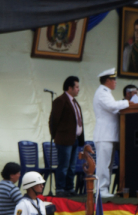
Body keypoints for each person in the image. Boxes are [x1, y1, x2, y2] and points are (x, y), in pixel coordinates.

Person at [93, 68, 132, 198]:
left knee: (108, 164)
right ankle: (100, 190)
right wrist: (127, 102)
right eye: (114, 79)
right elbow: (112, 106)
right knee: (103, 164)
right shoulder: (102, 92)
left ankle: (104, 189)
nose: (115, 82)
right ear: (108, 80)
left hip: (109, 135)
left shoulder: (106, 92)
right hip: (104, 134)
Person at [49, 76, 84, 197]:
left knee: (72, 166)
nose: (78, 89)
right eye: (77, 87)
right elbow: (53, 120)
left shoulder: (74, 102)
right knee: (63, 165)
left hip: (74, 139)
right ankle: (60, 188)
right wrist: (56, 136)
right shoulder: (61, 100)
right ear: (70, 88)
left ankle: (69, 188)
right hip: (64, 140)